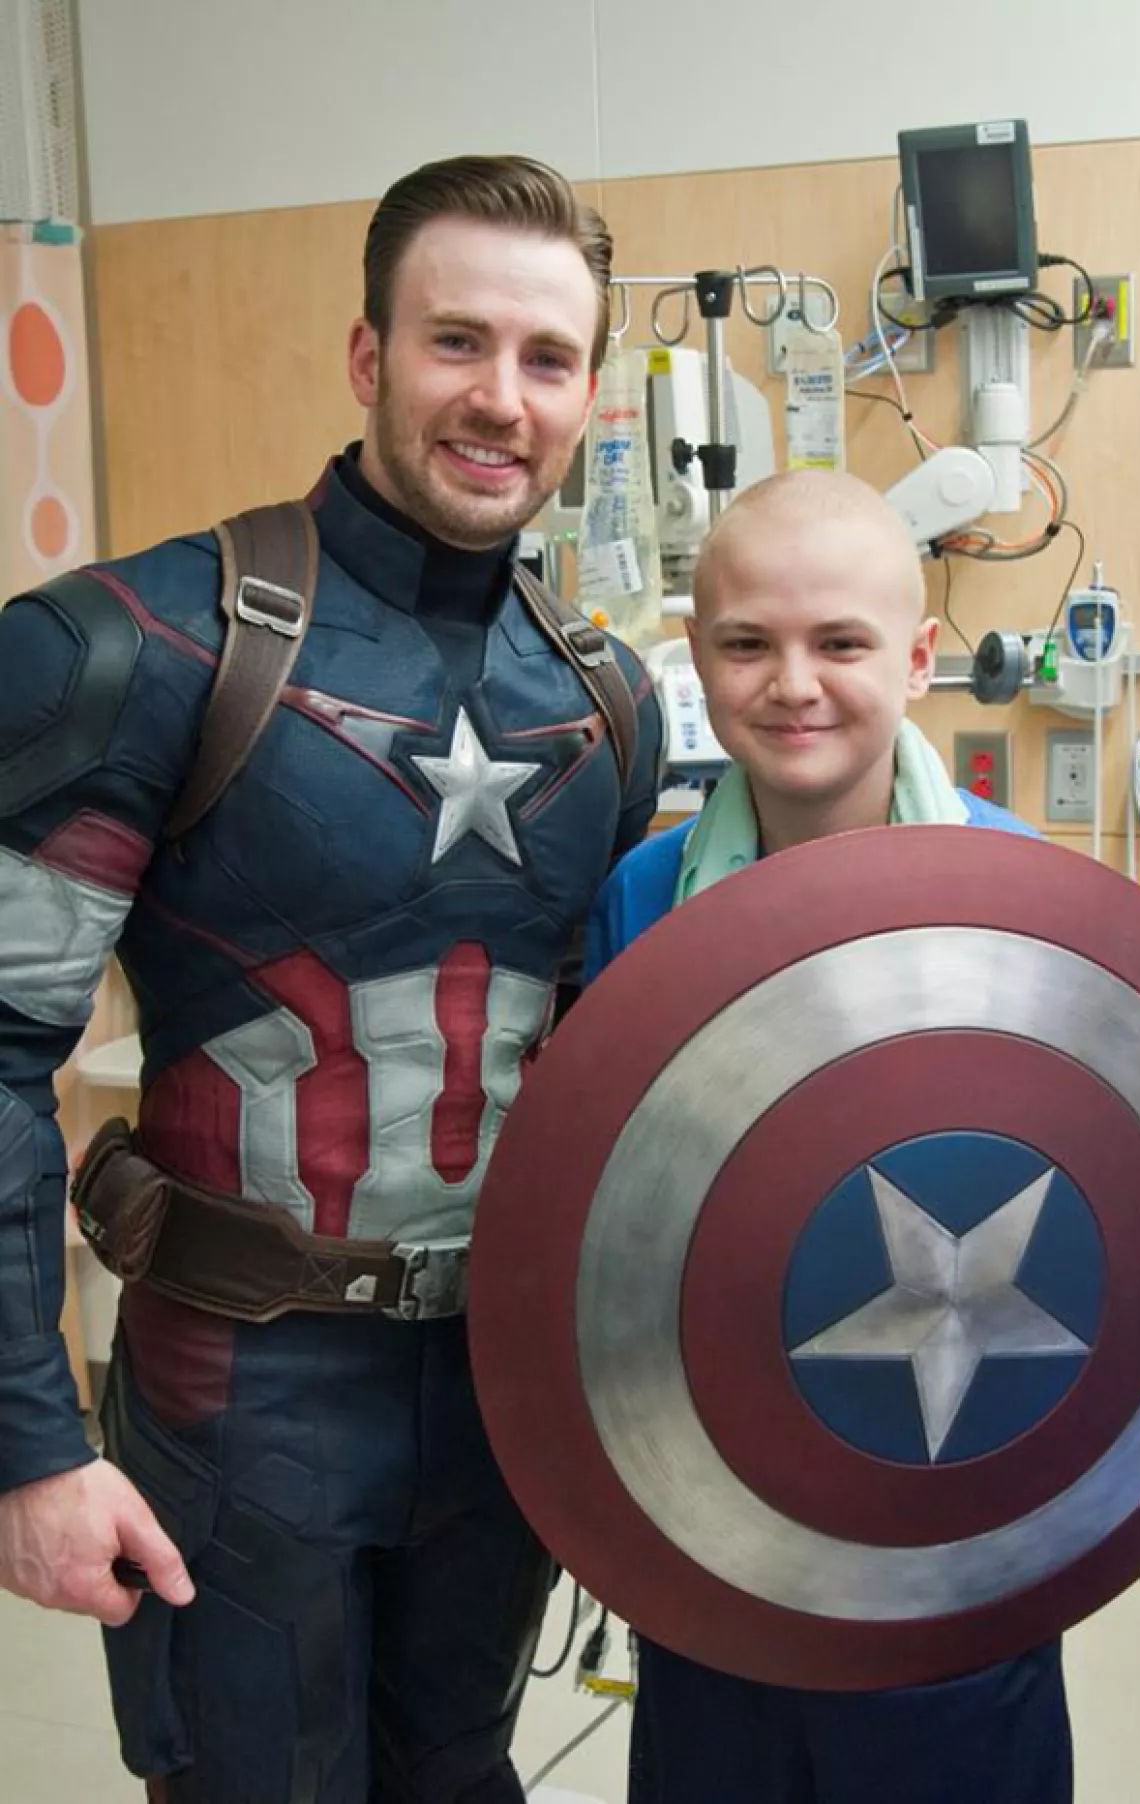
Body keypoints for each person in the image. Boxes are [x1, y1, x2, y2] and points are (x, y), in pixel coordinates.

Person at [0, 154, 662, 1802]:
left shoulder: (611, 712)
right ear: (368, 358)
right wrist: (29, 1446)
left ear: (587, 393)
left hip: (498, 1420)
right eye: (455, 342)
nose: (498, 399)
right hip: (238, 1406)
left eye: (546, 358)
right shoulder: (132, 650)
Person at [584, 469, 1072, 1804]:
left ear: (917, 659)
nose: (794, 683)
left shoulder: (1026, 899)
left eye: (841, 642)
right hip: (719, 1499)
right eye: (749, 642)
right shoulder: (643, 901)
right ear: (699, 656)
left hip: (961, 1498)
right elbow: (602, 1203)